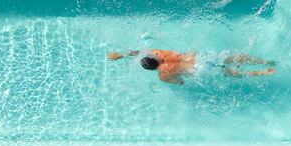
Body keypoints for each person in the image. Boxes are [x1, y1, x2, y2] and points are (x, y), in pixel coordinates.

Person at [107, 49, 275, 84]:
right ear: (153, 56)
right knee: (232, 58)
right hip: (202, 57)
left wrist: (177, 80)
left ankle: (263, 72)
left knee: (229, 73)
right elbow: (138, 52)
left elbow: (180, 82)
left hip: (201, 70)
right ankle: (264, 61)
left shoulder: (163, 75)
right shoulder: (160, 52)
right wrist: (121, 55)